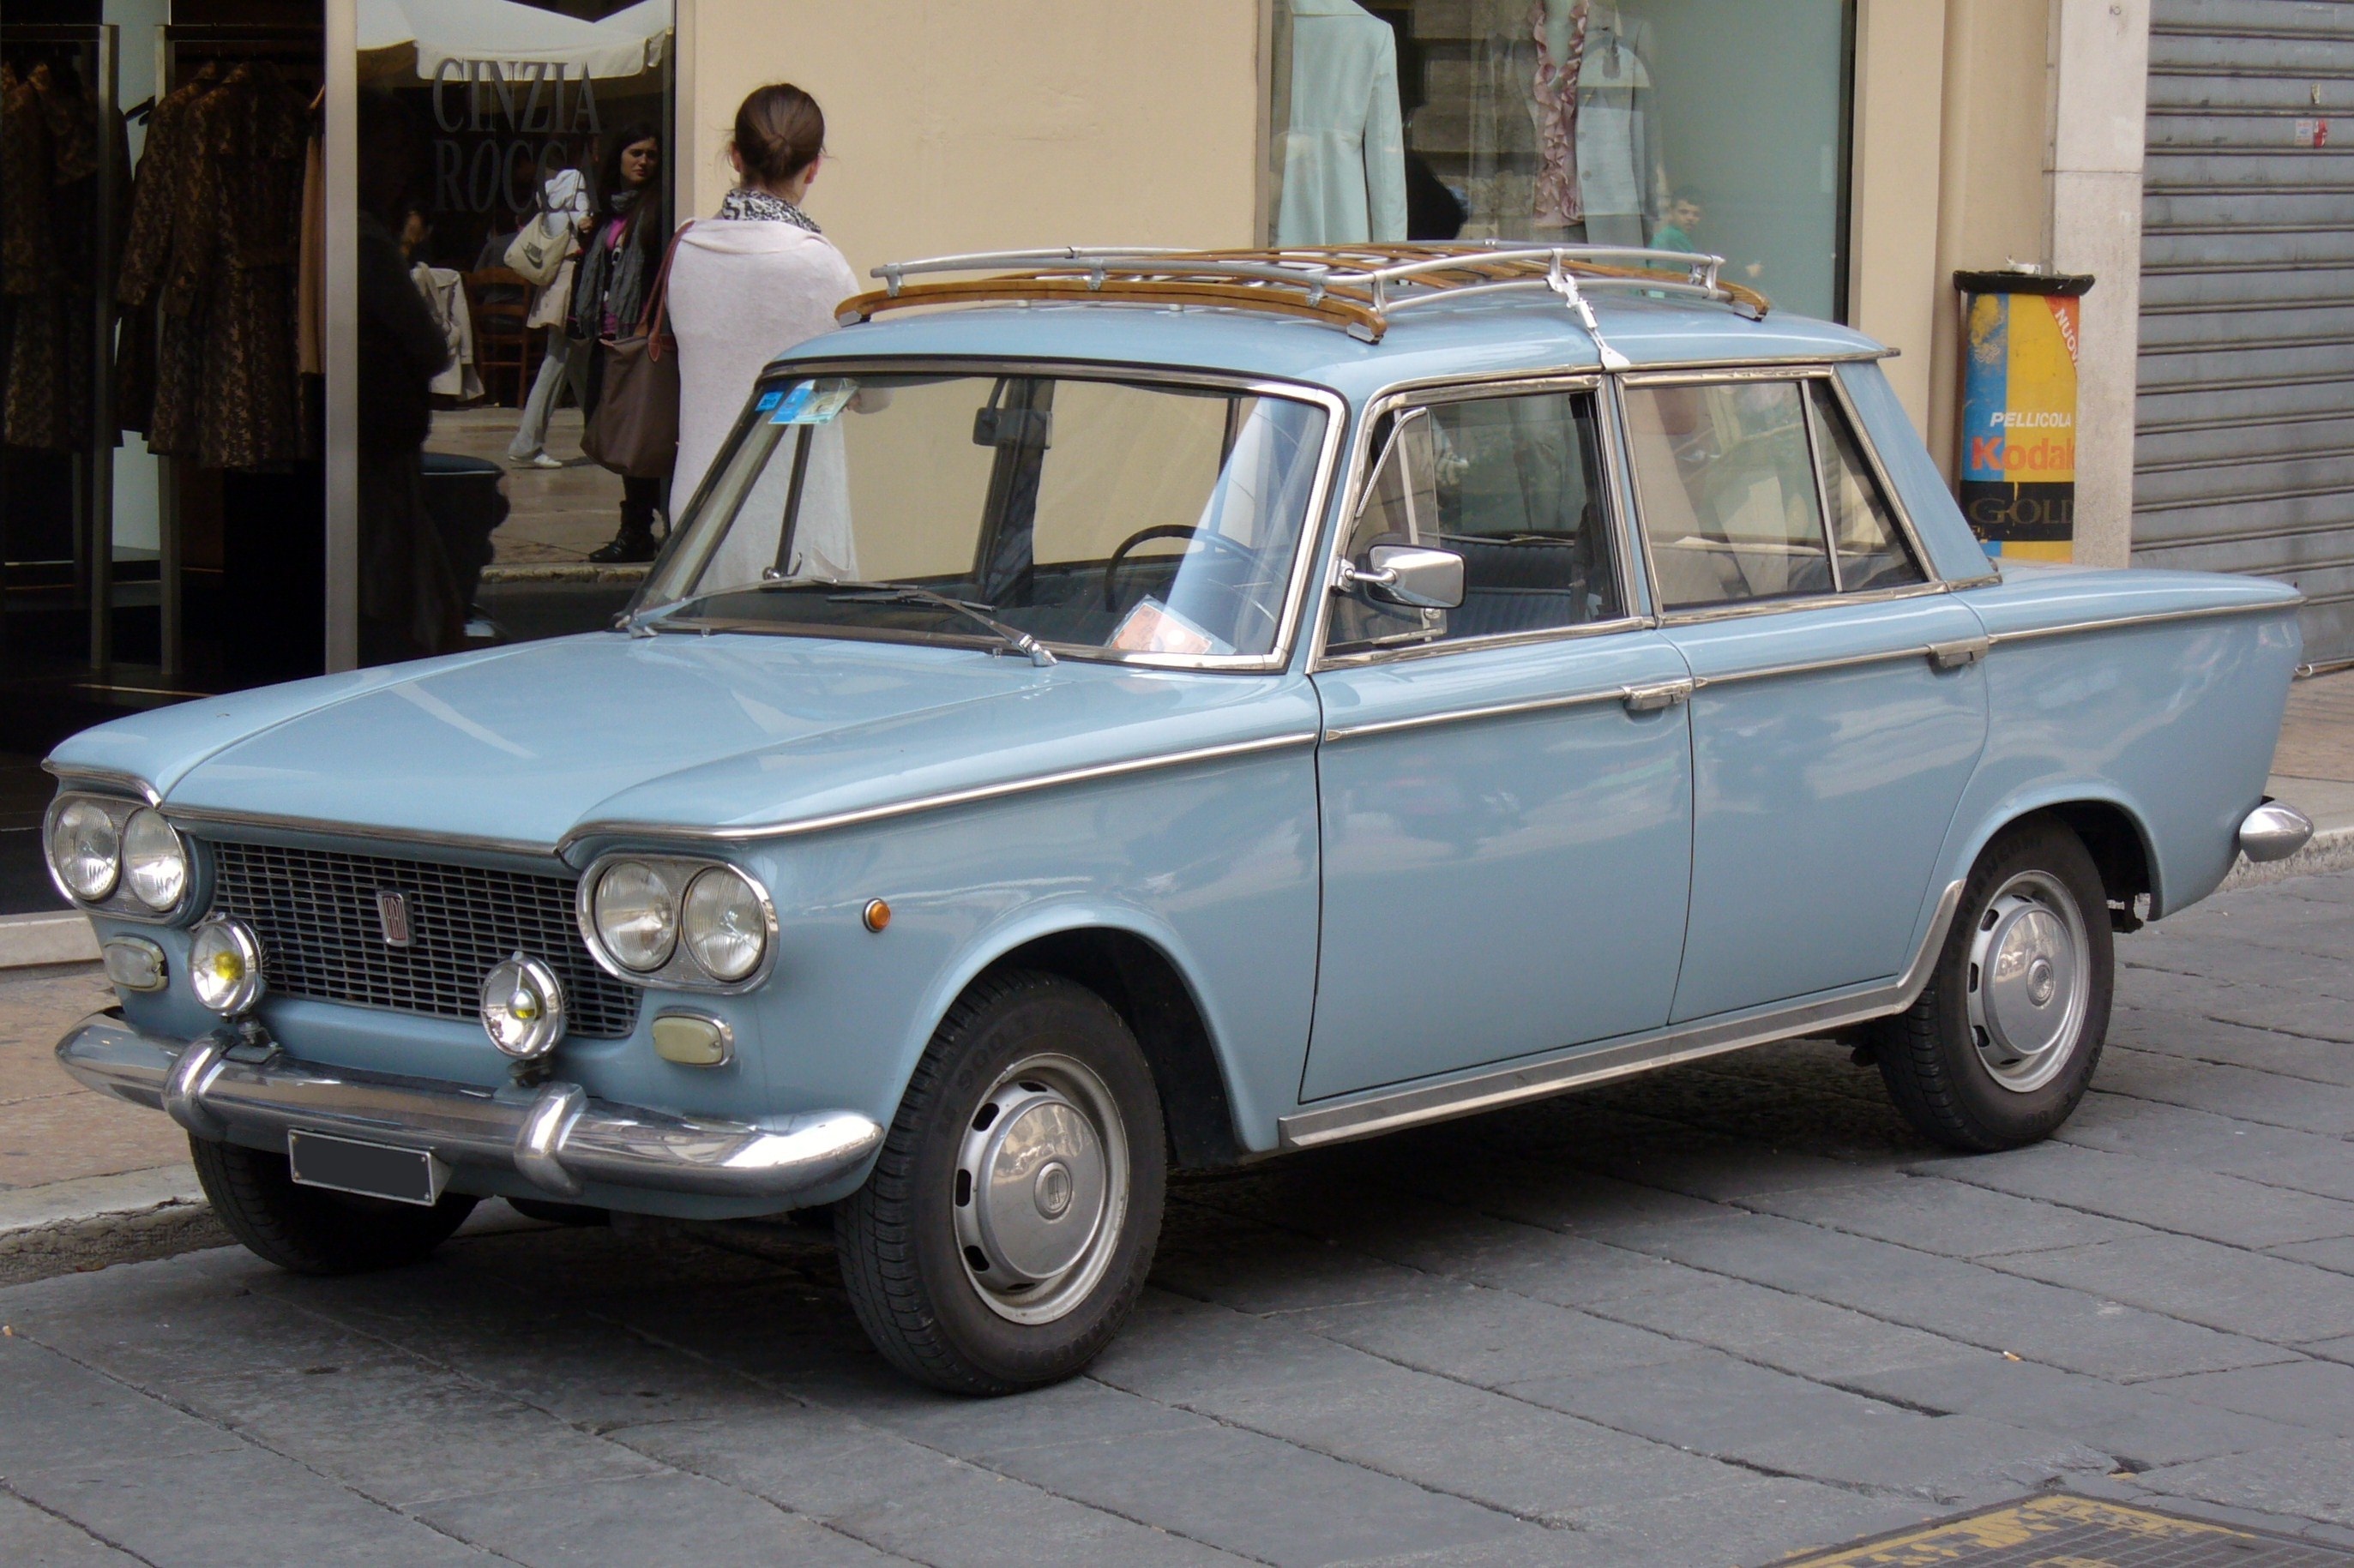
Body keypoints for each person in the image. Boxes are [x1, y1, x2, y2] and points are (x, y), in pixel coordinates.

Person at [667, 84, 861, 582]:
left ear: (735, 155)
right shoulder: (822, 265)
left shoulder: (686, 248)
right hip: (794, 507)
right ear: (814, 167)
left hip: (698, 507)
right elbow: (871, 394)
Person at [568, 123, 670, 562]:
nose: (643, 161)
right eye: (635, 153)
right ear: (619, 159)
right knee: (611, 433)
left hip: (639, 341)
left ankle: (638, 531)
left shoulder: (658, 212)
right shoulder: (610, 213)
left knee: (639, 442)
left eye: (650, 154)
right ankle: (639, 528)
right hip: (606, 339)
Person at [506, 164, 592, 469]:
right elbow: (580, 217)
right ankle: (527, 443)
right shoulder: (574, 193)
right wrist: (586, 218)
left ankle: (598, 438)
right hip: (571, 283)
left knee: (579, 364)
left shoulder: (549, 205)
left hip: (560, 284)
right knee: (557, 363)